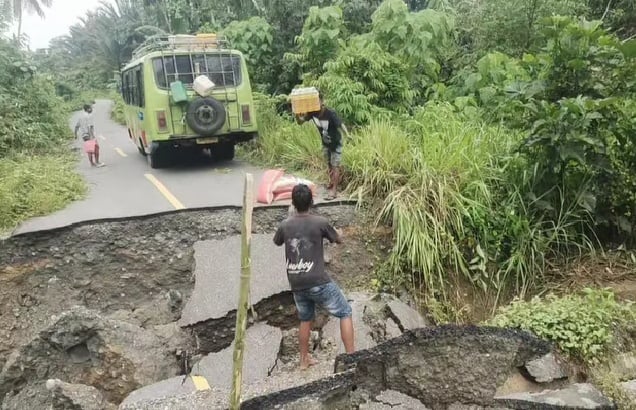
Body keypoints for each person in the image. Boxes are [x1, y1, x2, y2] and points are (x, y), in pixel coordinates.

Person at [273, 184, 355, 369]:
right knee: (345, 311)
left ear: (293, 203)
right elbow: (339, 239)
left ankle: (304, 360)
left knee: (305, 318)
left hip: (296, 282)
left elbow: (277, 241)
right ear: (311, 201)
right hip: (317, 281)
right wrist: (339, 233)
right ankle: (352, 360)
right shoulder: (320, 222)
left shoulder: (285, 224)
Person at [295, 93, 348, 200]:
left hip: (336, 143)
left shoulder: (330, 113)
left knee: (335, 165)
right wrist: (297, 114)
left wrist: (348, 134)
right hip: (326, 143)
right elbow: (300, 122)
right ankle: (332, 182)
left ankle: (334, 190)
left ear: (322, 101)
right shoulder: (311, 113)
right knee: (329, 164)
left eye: (317, 101)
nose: (315, 103)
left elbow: (340, 124)